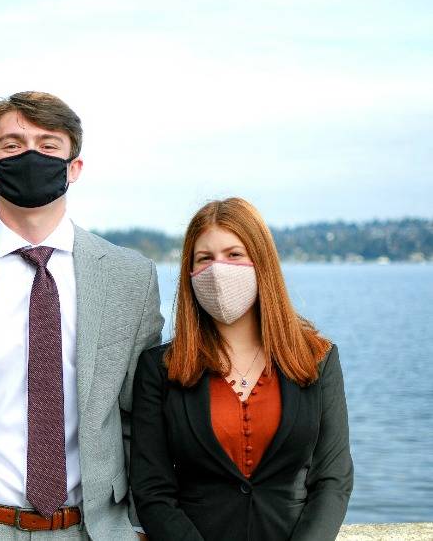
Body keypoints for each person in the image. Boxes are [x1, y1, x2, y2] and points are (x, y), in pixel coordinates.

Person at [0, 92, 163, 540]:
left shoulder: (130, 278)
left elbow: (140, 417)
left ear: (74, 167)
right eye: (12, 144)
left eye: (48, 145)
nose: (30, 155)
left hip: (91, 530)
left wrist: (138, 524)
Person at [130, 197, 353, 540]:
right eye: (204, 258)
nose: (218, 270)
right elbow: (152, 489)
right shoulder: (160, 369)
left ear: (261, 261)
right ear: (189, 274)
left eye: (234, 254)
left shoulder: (318, 359)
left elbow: (333, 479)